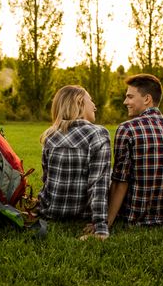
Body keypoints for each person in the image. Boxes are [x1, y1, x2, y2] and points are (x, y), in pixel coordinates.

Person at [107, 74, 163, 228]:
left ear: (147, 99)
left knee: (109, 172)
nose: (125, 101)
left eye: (130, 97)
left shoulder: (127, 128)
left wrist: (106, 222)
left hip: (136, 216)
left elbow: (120, 181)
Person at [38, 85, 111, 240]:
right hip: (81, 213)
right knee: (109, 175)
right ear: (79, 102)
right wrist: (100, 227)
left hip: (50, 211)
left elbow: (47, 180)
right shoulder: (98, 133)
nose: (95, 106)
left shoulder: (50, 135)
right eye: (91, 101)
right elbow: (98, 184)